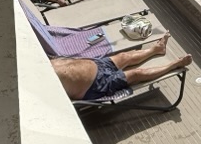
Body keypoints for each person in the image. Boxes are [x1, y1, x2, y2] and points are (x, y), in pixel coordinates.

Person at [52, 32, 192, 101]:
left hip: (96, 64)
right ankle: (174, 65)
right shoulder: (42, 84)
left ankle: (157, 49)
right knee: (137, 74)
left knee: (125, 56)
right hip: (96, 85)